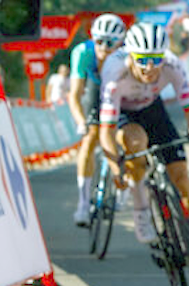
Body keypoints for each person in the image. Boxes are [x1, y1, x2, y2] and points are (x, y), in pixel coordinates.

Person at [99, 22, 189, 250]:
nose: (149, 67)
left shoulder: (173, 66)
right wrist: (116, 167)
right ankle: (141, 210)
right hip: (124, 114)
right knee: (136, 145)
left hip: (154, 110)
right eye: (142, 59)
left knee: (181, 177)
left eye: (156, 59)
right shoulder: (115, 73)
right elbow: (105, 131)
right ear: (130, 56)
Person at [68, 14, 127, 226]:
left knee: (124, 135)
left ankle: (124, 184)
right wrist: (81, 122)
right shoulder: (83, 52)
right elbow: (75, 94)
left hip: (121, 91)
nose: (103, 47)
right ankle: (83, 203)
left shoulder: (126, 54)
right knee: (90, 137)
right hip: (95, 89)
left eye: (110, 43)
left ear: (120, 43)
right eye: (98, 40)